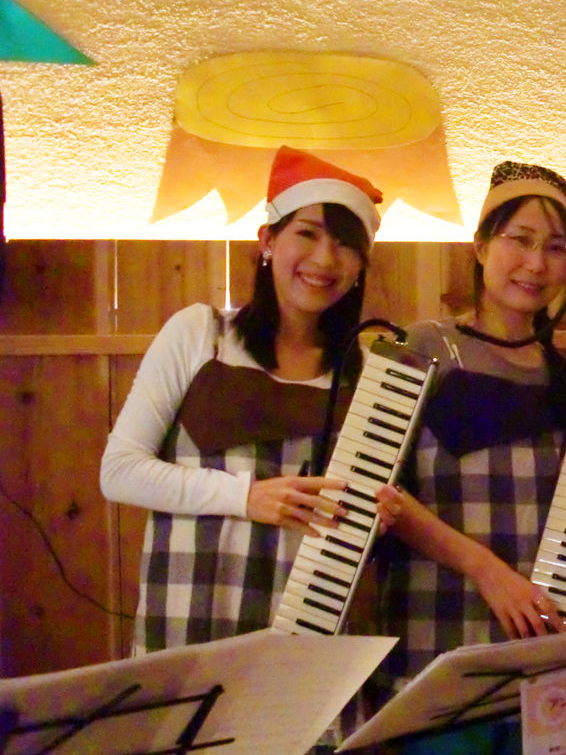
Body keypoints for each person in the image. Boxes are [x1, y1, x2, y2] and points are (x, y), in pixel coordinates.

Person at [371, 161, 566, 755]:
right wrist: (487, 571)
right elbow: (377, 495)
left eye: (556, 247)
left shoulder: (562, 377)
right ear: (481, 246)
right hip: (436, 651)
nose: (536, 263)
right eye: (520, 239)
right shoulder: (424, 346)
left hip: (539, 662)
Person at [100, 146, 383, 653]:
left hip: (310, 635)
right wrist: (247, 497)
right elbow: (119, 471)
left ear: (361, 265)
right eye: (307, 234)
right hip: (190, 618)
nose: (325, 259)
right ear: (268, 241)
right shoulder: (201, 334)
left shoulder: (365, 371)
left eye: (345, 245)